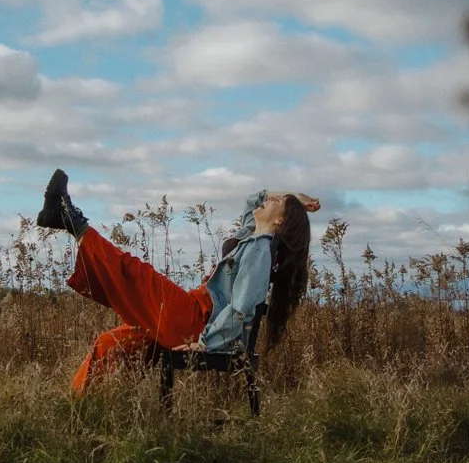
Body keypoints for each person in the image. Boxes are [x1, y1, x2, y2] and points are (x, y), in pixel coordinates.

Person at [37, 169, 318, 395]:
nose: (270, 200)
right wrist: (292, 197)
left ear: (280, 222)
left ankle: (72, 221)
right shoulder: (252, 236)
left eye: (277, 203)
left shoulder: (260, 249)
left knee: (136, 274)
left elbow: (242, 307)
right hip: (196, 310)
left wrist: (208, 344)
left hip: (199, 323)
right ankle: (80, 403)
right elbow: (253, 199)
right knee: (115, 342)